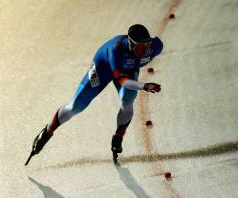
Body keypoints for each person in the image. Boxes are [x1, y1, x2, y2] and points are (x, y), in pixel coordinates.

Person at [26, 24, 163, 165]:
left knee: (127, 100)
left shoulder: (156, 46)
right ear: (130, 43)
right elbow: (122, 81)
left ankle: (118, 137)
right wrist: (144, 86)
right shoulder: (115, 50)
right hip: (103, 68)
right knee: (76, 106)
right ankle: (46, 133)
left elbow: (128, 76)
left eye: (146, 45)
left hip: (128, 70)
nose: (143, 50)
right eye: (139, 47)